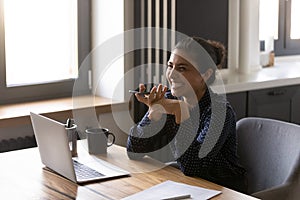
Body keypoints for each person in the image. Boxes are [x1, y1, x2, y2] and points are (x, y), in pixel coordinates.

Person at [126, 36, 247, 192]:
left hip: (224, 190)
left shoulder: (220, 112)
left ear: (206, 74)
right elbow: (133, 151)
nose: (172, 74)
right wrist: (153, 115)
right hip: (187, 185)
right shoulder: (169, 100)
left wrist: (181, 113)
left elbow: (192, 166)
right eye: (170, 66)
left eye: (182, 68)